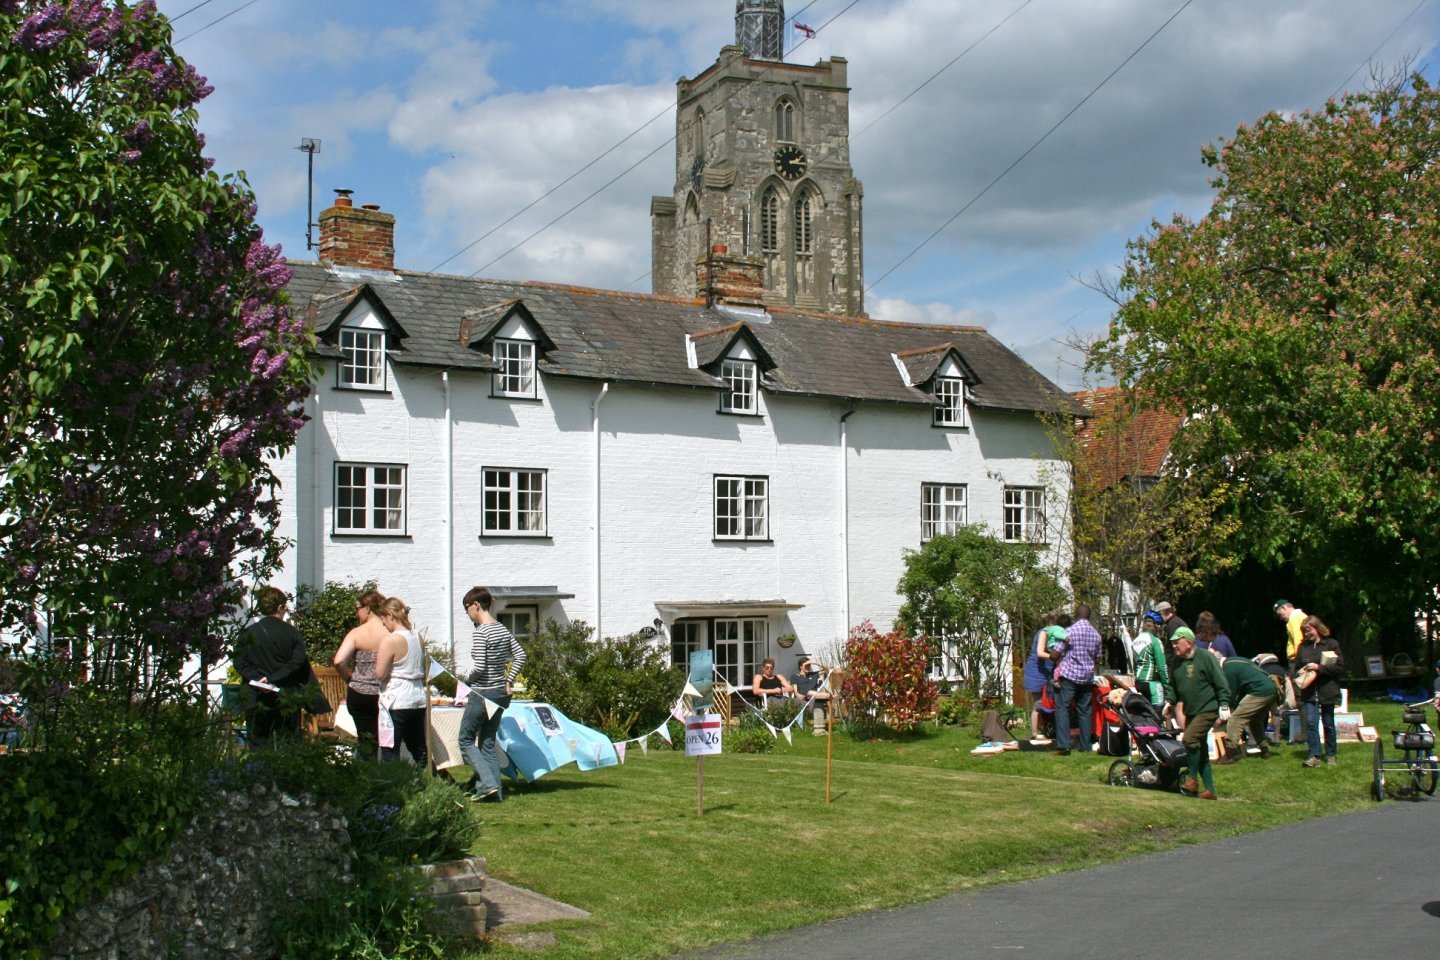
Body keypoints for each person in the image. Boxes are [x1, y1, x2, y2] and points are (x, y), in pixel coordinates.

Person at [458, 586, 527, 803]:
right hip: (500, 693)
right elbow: (521, 655)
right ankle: (494, 792)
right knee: (487, 742)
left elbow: (479, 667)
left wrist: (466, 682)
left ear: (476, 605)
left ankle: (486, 784)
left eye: (467, 608)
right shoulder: (502, 629)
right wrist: (508, 680)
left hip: (483, 693)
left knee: (465, 740)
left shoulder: (481, 632)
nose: (467, 613)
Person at [232, 585, 310, 748]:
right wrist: (274, 678)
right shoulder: (291, 633)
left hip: (255, 695)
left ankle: (258, 772)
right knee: (287, 745)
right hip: (285, 695)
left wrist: (259, 679)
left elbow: (239, 662)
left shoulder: (248, 633)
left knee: (257, 745)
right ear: (280, 607)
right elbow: (297, 662)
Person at [1162, 626, 1231, 799]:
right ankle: (1210, 791)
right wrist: (1169, 701)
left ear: (1189, 641)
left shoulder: (1205, 657)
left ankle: (1192, 780)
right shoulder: (1177, 662)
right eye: (1173, 644)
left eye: (1177, 643)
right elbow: (1173, 686)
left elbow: (1220, 681)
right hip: (1192, 709)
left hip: (1208, 708)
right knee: (1200, 753)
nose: (1174, 646)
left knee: (1189, 739)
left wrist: (1224, 704)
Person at [332, 588, 387, 760]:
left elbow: (339, 661)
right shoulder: (390, 631)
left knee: (366, 740)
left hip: (360, 693)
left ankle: (366, 774)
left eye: (357, 608)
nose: (356, 613)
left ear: (368, 608)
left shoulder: (357, 633)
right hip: (386, 693)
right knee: (387, 740)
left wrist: (349, 677)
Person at [374, 598, 429, 767]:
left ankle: (396, 785)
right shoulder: (417, 636)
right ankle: (426, 782)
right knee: (418, 747)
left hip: (396, 700)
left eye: (383, 619)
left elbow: (380, 674)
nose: (383, 624)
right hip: (417, 698)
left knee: (390, 748)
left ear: (390, 615)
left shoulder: (390, 640)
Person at [1050, 604, 1101, 756]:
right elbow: (1098, 658)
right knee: (1085, 711)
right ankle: (1085, 746)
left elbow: (1054, 654)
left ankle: (1064, 745)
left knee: (1062, 708)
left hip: (1070, 676)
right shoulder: (1096, 635)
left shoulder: (1069, 632)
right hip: (1087, 677)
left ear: (1076, 615)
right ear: (1089, 616)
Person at [1294, 614, 1344, 767]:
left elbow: (1339, 667)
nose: (1307, 634)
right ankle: (1313, 755)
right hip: (1309, 691)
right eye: (1305, 631)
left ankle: (1330, 754)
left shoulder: (1331, 644)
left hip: (1326, 689)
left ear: (1317, 628)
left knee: (1328, 723)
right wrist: (1301, 671)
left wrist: (1319, 668)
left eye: (1309, 630)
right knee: (1311, 723)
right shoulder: (1303, 647)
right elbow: (1295, 668)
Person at [1214, 655, 1277, 762]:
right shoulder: (1234, 661)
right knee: (1255, 721)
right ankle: (1265, 750)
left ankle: (1230, 754)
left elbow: (1230, 695)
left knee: (1236, 719)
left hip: (1260, 691)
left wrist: (1223, 716)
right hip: (1270, 689)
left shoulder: (1228, 669)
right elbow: (1244, 687)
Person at [1022, 610, 1061, 743]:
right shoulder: (1044, 633)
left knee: (1049, 702)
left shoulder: (1055, 634)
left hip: (1048, 671)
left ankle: (1047, 730)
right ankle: (1035, 733)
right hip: (1037, 672)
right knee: (1038, 703)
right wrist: (1055, 657)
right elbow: (1040, 652)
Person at [1131, 611, 1170, 708]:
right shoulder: (1155, 641)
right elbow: (1161, 666)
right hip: (1152, 683)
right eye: (1159, 626)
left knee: (1144, 715)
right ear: (1155, 626)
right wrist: (1167, 686)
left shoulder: (1135, 641)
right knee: (1157, 715)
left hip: (1139, 682)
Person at [789, 657, 832, 734]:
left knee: (815, 697)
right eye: (806, 665)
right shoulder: (795, 676)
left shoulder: (814, 674)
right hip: (805, 697)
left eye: (809, 665)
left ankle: (819, 728)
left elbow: (828, 669)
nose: (808, 667)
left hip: (815, 697)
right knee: (809, 692)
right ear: (800, 666)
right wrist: (797, 694)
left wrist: (814, 663)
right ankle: (828, 695)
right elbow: (795, 690)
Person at [1273, 600, 1308, 665]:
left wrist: (1299, 660)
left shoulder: (1294, 618)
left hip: (1298, 659)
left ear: (1284, 608)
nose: (1281, 618)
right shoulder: (1301, 615)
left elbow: (1298, 639)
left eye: (1280, 615)